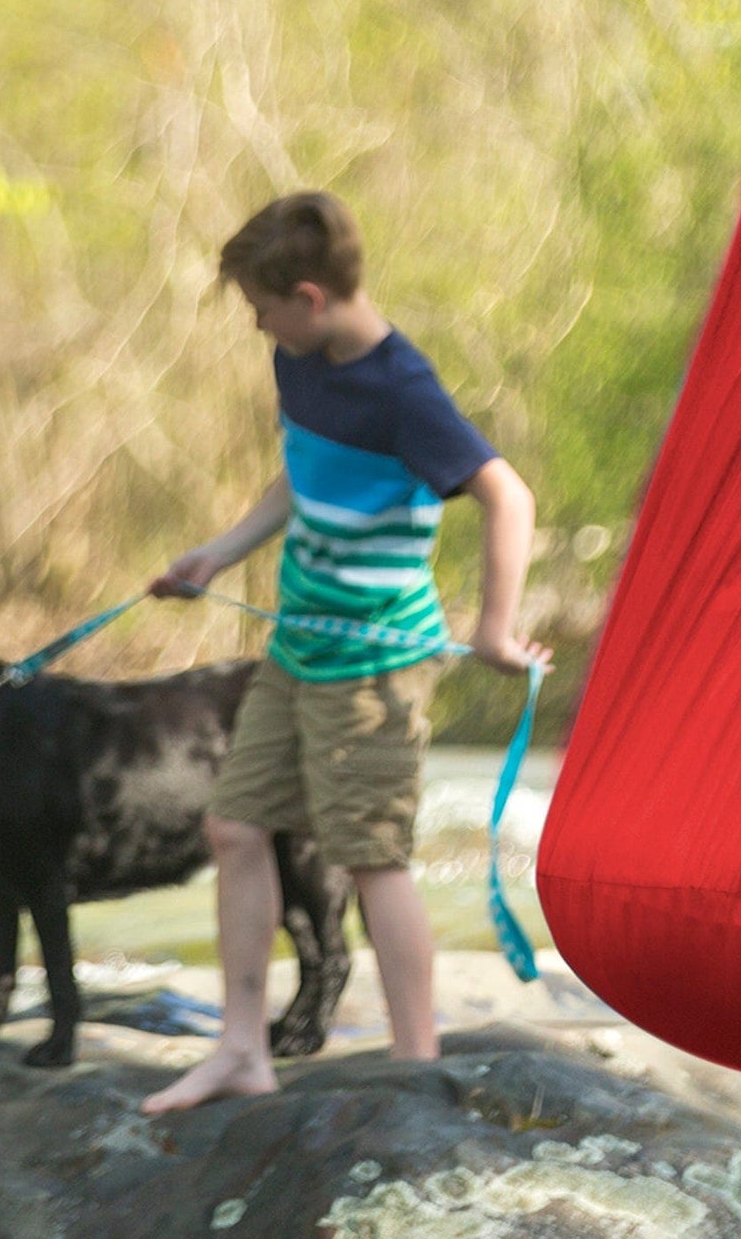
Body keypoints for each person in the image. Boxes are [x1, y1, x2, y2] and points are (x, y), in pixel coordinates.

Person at [141, 192, 545, 1114]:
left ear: (312, 296)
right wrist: (221, 551)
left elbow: (506, 495)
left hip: (376, 662)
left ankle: (414, 1064)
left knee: (372, 856)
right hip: (299, 641)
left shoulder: (404, 389)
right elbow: (306, 470)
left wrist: (493, 626)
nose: (255, 323)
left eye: (262, 305)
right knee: (235, 826)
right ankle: (242, 1047)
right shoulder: (302, 360)